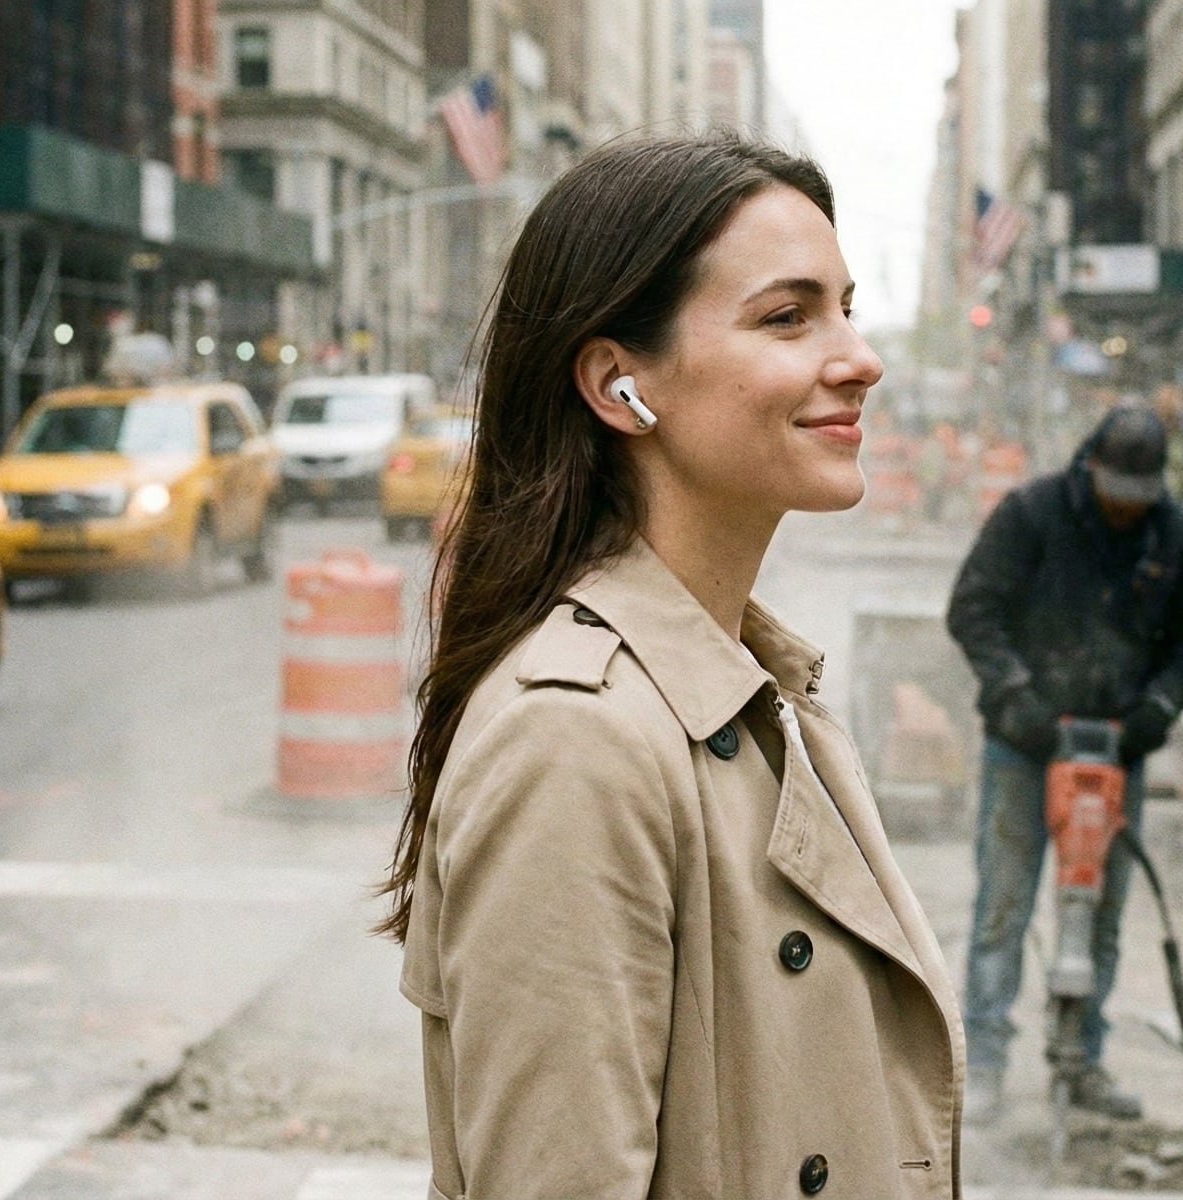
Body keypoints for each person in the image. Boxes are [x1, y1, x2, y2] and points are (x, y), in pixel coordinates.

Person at [376, 135, 963, 1199]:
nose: (859, 357)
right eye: (787, 317)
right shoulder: (573, 739)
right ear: (619, 385)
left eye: (845, 306)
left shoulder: (762, 683)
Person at [946, 404, 1183, 1124]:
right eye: (1115, 496)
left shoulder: (1176, 538)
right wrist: (1015, 694)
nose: (1125, 514)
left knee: (1099, 914)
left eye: (1139, 500)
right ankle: (988, 1065)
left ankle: (1082, 1059)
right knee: (1003, 908)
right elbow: (973, 609)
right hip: (1024, 743)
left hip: (1118, 746)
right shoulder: (1032, 514)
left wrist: (1157, 711)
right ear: (1091, 465)